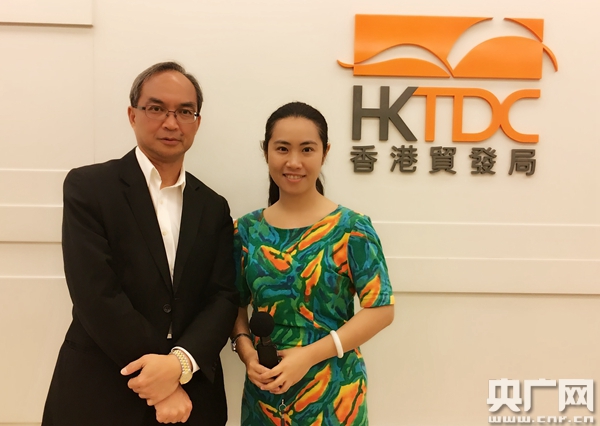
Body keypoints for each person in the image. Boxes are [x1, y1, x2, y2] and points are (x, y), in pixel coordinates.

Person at [42, 62, 239, 425]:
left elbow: (223, 296)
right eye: (156, 108)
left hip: (193, 396)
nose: (171, 122)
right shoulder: (89, 188)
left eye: (185, 111)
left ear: (197, 122)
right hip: (101, 388)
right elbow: (96, 293)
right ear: (132, 115)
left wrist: (179, 365)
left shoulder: (213, 206)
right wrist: (163, 385)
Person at [230, 101, 395, 425]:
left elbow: (381, 309)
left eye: (307, 149)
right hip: (264, 394)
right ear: (266, 152)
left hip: (334, 392)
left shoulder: (351, 228)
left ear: (325, 152)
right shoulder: (246, 230)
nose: (294, 162)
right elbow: (233, 304)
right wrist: (247, 353)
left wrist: (308, 356)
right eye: (282, 148)